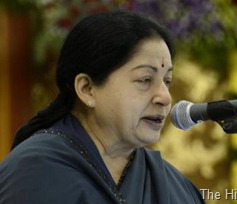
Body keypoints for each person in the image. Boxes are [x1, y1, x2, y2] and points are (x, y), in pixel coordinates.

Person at [0, 10, 205, 204]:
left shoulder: (176, 187)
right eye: (145, 79)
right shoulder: (35, 173)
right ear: (87, 89)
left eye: (167, 81)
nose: (165, 97)